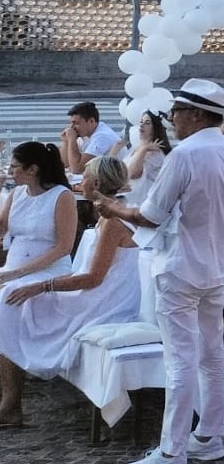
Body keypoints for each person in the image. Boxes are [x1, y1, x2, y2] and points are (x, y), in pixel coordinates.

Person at [94, 79, 224, 464]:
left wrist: (114, 208)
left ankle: (172, 452)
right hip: (216, 266)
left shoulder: (186, 154)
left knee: (180, 361)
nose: (172, 120)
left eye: (176, 112)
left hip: (181, 268)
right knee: (212, 354)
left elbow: (151, 215)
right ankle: (209, 437)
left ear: (195, 114)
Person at [0, 158, 141, 413]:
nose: (79, 181)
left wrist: (41, 286)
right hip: (96, 295)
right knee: (9, 298)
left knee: (9, 301)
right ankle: (10, 398)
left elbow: (93, 279)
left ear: (96, 183)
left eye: (84, 177)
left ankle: (11, 402)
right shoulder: (110, 214)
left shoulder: (112, 222)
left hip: (103, 303)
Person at [0, 143, 80, 427]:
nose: (10, 172)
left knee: (5, 300)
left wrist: (17, 273)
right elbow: (2, 228)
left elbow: (63, 247)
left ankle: (10, 404)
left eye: (14, 167)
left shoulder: (62, 197)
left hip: (47, 272)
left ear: (32, 170)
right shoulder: (16, 194)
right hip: (14, 269)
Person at [123, 111, 172, 204]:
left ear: (155, 128)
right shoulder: (138, 147)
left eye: (147, 123)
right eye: (141, 122)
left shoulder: (155, 152)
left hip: (141, 203)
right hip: (129, 199)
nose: (142, 125)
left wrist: (144, 149)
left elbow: (133, 173)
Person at [60, 101, 121, 173]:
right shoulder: (85, 134)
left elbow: (77, 169)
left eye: (76, 123)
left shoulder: (102, 136)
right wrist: (66, 142)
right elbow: (64, 164)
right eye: (71, 123)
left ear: (91, 121)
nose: (72, 127)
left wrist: (72, 140)